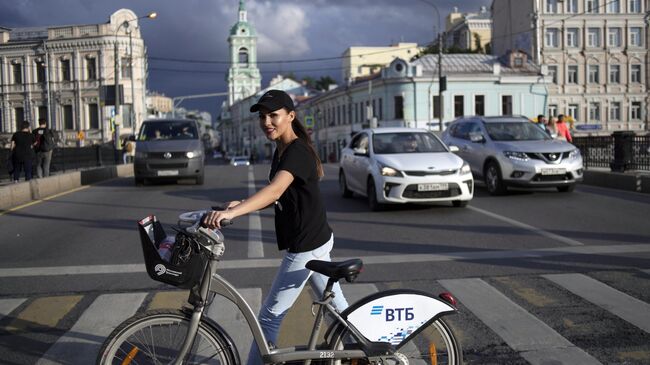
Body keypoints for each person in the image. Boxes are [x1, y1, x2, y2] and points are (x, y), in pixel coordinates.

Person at [202, 90, 348, 359]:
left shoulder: (297, 151)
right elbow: (281, 194)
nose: (266, 122)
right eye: (262, 116)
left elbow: (275, 191)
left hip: (306, 245)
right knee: (341, 314)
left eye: (273, 115)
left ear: (290, 116)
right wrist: (240, 204)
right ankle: (371, 351)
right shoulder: (283, 150)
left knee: (268, 319)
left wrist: (233, 215)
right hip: (314, 239)